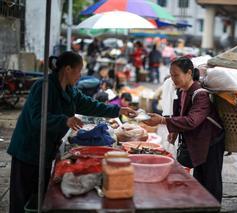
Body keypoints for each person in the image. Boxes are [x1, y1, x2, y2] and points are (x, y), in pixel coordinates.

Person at [7, 51, 137, 213]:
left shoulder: (70, 90)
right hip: (28, 148)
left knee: (40, 196)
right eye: (79, 70)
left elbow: (90, 105)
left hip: (46, 149)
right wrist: (65, 120)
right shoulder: (44, 87)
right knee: (22, 199)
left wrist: (118, 111)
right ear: (68, 69)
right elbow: (36, 118)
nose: (80, 75)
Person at [143, 57, 225, 202]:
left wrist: (163, 120)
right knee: (199, 178)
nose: (173, 79)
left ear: (188, 73)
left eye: (176, 75)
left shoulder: (201, 95)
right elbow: (180, 113)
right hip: (198, 142)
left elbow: (192, 121)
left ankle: (213, 206)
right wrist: (174, 131)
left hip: (211, 142)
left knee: (211, 181)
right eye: (171, 75)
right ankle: (202, 205)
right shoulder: (182, 91)